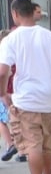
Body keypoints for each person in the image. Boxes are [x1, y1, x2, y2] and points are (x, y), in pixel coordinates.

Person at [0, 0, 51, 174]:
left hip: (26, 100)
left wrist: (3, 93)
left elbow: (3, 71)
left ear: (15, 14)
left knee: (33, 146)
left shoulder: (10, 39)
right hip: (48, 98)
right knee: (47, 143)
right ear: (33, 12)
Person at [0, 29, 17, 161]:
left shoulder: (4, 56)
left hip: (5, 92)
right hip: (18, 91)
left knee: (2, 120)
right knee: (16, 119)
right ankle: (22, 150)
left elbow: (4, 74)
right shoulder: (18, 54)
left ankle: (11, 144)